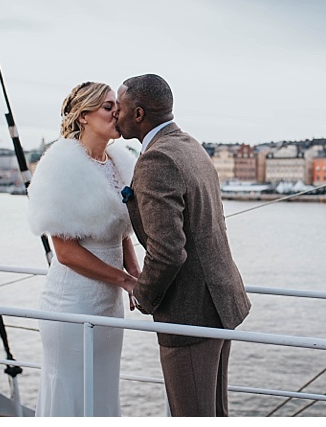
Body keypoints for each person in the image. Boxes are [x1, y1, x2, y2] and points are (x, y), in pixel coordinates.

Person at [114, 73, 251, 416]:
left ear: (139, 114)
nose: (116, 113)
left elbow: (168, 250)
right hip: (218, 302)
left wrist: (144, 295)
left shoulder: (156, 160)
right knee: (214, 413)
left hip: (189, 312)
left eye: (121, 106)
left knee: (191, 415)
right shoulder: (189, 145)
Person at [24, 82, 137, 416]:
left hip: (109, 304)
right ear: (84, 115)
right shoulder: (62, 166)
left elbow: (121, 231)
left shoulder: (119, 162)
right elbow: (66, 252)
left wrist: (138, 276)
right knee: (71, 391)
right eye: (107, 106)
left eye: (117, 105)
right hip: (71, 304)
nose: (117, 112)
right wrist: (125, 280)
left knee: (102, 390)